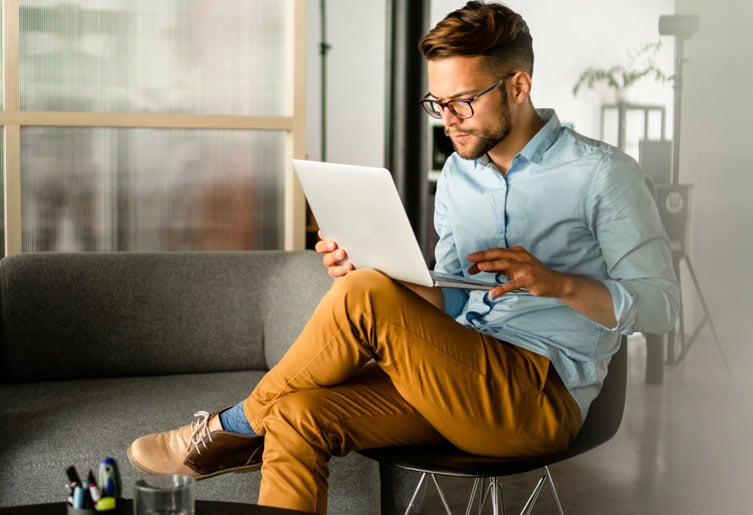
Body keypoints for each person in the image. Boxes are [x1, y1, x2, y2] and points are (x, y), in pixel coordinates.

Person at [127, 2, 680, 513]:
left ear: (519, 85)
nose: (448, 118)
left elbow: (661, 307)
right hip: (458, 373)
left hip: (538, 398)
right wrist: (374, 276)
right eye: (437, 103)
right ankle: (250, 422)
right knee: (300, 412)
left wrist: (556, 284)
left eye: (463, 100)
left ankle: (229, 428)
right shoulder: (461, 175)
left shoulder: (605, 175)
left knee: (363, 298)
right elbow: (453, 300)